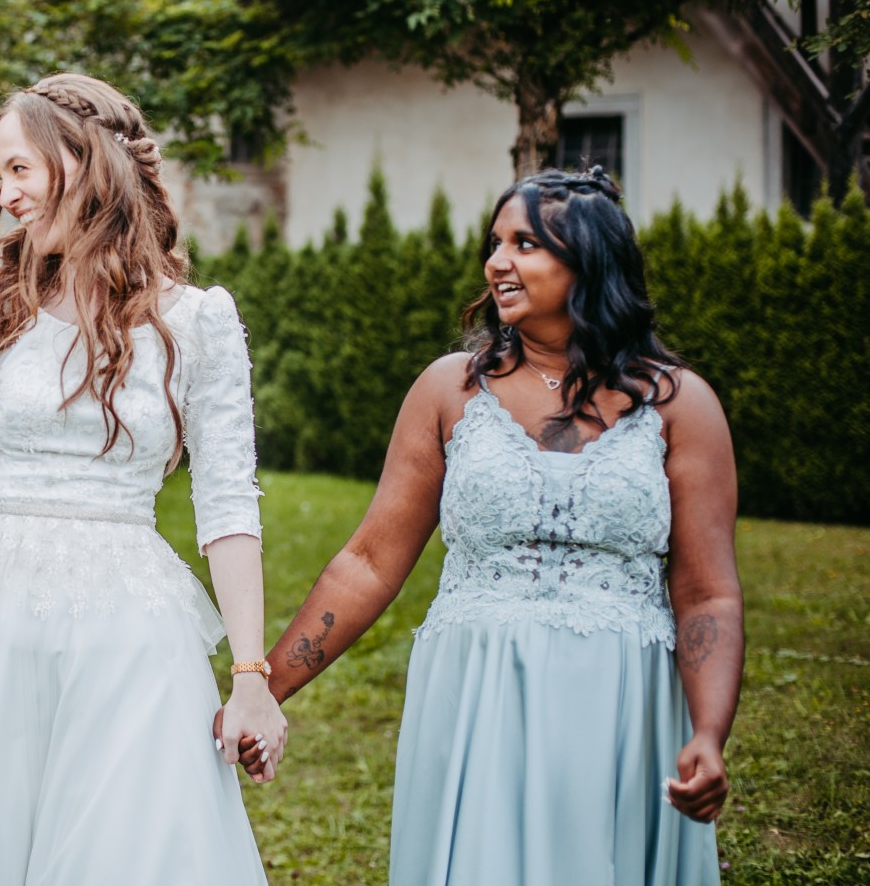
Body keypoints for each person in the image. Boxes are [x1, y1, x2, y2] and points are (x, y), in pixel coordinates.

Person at [0, 74, 284, 885]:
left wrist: (250, 675)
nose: (4, 195)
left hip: (129, 630)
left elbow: (226, 503)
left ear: (85, 162)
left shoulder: (196, 321)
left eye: (19, 169)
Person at [236, 166, 742, 885]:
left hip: (620, 703)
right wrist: (265, 687)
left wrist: (708, 733)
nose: (498, 262)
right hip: (477, 695)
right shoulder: (450, 389)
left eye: (525, 244)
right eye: (495, 242)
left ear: (591, 261)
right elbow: (369, 563)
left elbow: (706, 593)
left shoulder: (680, 405)